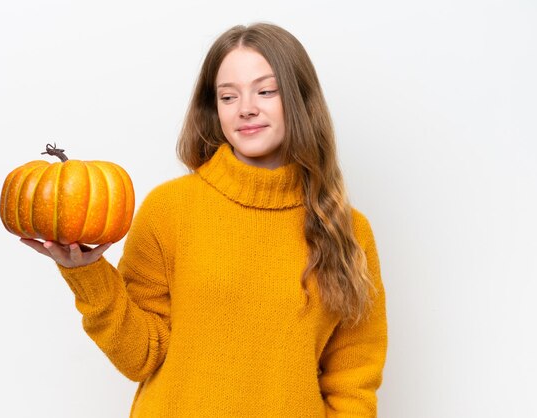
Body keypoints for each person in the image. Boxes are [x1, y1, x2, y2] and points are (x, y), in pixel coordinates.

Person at [21, 22, 387, 418]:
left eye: (266, 91)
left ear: (300, 100)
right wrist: (88, 274)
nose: (246, 107)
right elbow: (140, 358)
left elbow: (353, 379)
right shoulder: (170, 209)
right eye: (228, 96)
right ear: (214, 108)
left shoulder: (347, 230)